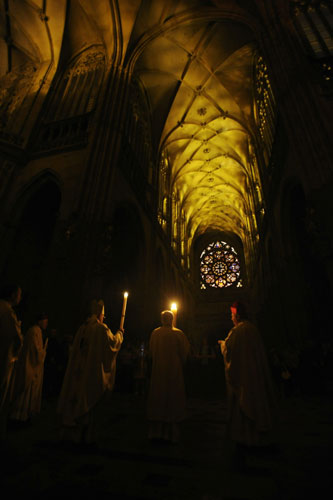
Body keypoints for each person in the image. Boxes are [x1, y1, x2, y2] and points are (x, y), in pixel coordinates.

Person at [218, 301, 277, 469]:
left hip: (243, 379)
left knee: (244, 408)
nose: (231, 318)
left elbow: (230, 352)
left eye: (232, 315)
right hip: (255, 377)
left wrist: (223, 345)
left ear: (237, 315)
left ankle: (245, 440)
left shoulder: (238, 331)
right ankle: (259, 439)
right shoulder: (252, 329)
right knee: (257, 404)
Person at [57, 299, 123, 446]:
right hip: (89, 374)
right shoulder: (101, 329)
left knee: (75, 396)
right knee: (88, 399)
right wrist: (120, 334)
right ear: (100, 314)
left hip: (77, 373)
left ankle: (71, 435)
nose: (103, 318)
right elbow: (112, 345)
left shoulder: (82, 328)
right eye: (103, 315)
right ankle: (85, 437)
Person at [147, 310, 190, 444]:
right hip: (173, 372)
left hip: (158, 372)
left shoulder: (155, 333)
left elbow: (152, 352)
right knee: (172, 401)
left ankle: (157, 432)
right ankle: (171, 434)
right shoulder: (178, 334)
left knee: (159, 400)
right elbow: (185, 353)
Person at [10, 313, 49, 424]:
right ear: (40, 321)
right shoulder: (35, 331)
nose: (46, 324)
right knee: (27, 392)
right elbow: (34, 351)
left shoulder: (36, 331)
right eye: (45, 321)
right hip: (31, 367)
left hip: (33, 366)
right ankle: (21, 416)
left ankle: (25, 415)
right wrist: (43, 352)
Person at [0, 284, 23, 440]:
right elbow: (16, 339)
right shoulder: (8, 312)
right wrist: (14, 356)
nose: (20, 297)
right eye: (19, 294)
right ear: (13, 295)